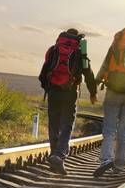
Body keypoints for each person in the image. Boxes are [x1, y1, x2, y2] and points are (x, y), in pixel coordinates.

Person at [39, 28, 97, 175]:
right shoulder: (79, 53)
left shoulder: (53, 50)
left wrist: (49, 87)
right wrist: (93, 92)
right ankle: (58, 156)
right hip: (70, 92)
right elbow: (88, 73)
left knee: (54, 124)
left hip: (53, 91)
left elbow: (43, 74)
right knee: (67, 124)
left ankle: (55, 159)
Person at [93, 27, 125, 177]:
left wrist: (96, 84)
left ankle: (106, 159)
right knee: (124, 131)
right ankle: (119, 164)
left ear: (119, 36)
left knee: (109, 129)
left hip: (113, 92)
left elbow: (104, 66)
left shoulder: (114, 47)